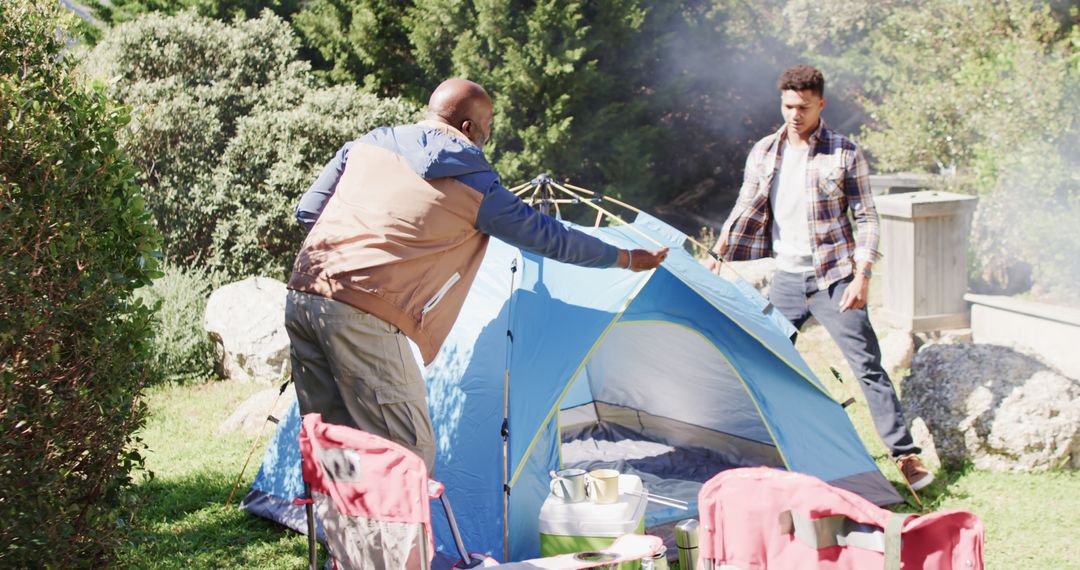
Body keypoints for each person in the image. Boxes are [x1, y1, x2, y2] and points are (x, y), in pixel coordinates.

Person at [286, 78, 668, 473]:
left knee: (331, 442)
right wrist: (624, 258)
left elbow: (309, 211)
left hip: (304, 294)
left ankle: (341, 536)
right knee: (406, 454)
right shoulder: (474, 185)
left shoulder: (367, 145)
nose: (488, 135)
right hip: (367, 315)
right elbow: (549, 238)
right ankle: (396, 537)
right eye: (488, 125)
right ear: (469, 128)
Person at [705, 65, 933, 491]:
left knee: (867, 367)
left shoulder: (844, 152)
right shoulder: (763, 151)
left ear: (821, 104)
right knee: (762, 358)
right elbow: (743, 205)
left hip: (835, 279)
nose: (795, 114)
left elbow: (866, 216)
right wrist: (718, 252)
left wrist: (862, 276)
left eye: (804, 107)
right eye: (788, 105)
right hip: (786, 280)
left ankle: (906, 458)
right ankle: (759, 451)